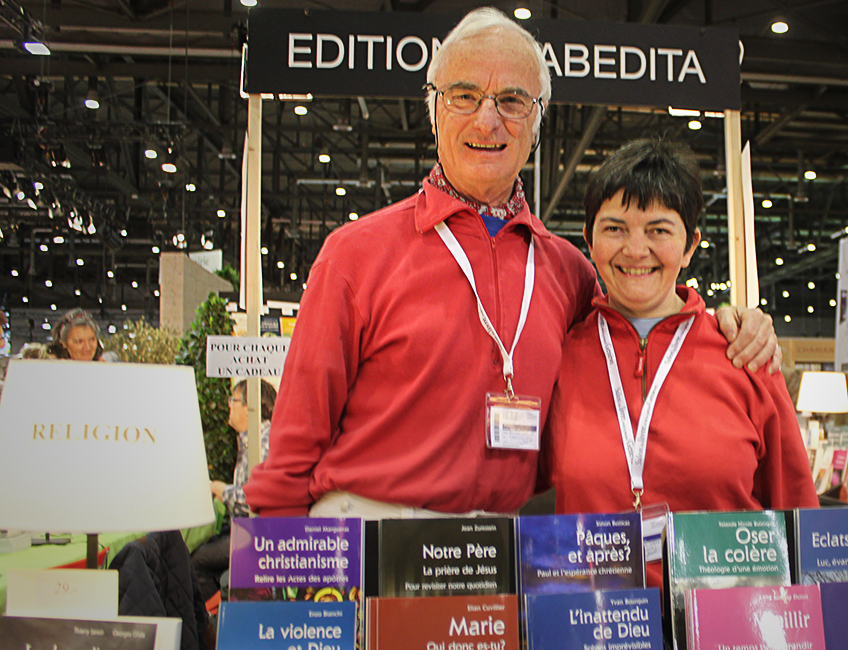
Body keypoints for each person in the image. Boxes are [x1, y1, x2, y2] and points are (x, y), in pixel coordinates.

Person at [244, 8, 776, 520]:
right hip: (367, 540)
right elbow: (293, 449)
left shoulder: (568, 271)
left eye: (512, 100)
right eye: (464, 96)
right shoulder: (355, 253)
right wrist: (276, 581)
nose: (487, 118)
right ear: (433, 108)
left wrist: (733, 323)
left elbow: (643, 333)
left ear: (538, 118)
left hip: (500, 555)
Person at [539, 138, 818, 587]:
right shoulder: (560, 355)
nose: (635, 249)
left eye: (658, 230)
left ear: (690, 246)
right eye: (615, 228)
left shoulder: (745, 354)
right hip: (602, 633)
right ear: (588, 240)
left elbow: (798, 511)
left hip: (731, 638)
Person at [191, 379, 276, 600]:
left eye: (233, 400)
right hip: (246, 529)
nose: (229, 405)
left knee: (196, 560)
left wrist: (218, 488)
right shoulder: (251, 441)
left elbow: (255, 497)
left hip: (258, 534)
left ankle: (211, 626)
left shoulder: (264, 442)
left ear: (250, 407)